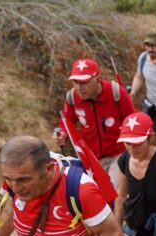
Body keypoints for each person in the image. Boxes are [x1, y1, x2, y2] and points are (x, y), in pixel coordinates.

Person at [0, 136, 122, 236]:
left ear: (48, 169)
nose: (15, 188)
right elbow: (9, 209)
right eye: (8, 179)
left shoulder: (80, 190)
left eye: (24, 180)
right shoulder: (15, 176)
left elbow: (112, 232)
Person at [55, 58, 136, 189]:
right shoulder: (72, 97)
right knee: (95, 194)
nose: (80, 88)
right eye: (76, 82)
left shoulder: (116, 92)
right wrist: (62, 133)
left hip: (118, 154)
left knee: (116, 189)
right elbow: (66, 121)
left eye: (84, 82)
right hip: (92, 159)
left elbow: (133, 120)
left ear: (98, 80)